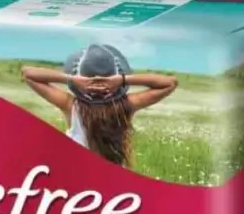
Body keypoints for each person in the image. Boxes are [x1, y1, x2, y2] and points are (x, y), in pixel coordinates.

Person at [21, 44, 177, 167]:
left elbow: (28, 74)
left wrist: (72, 79)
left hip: (74, 171)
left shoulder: (71, 105)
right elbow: (170, 83)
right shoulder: (126, 105)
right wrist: (122, 80)